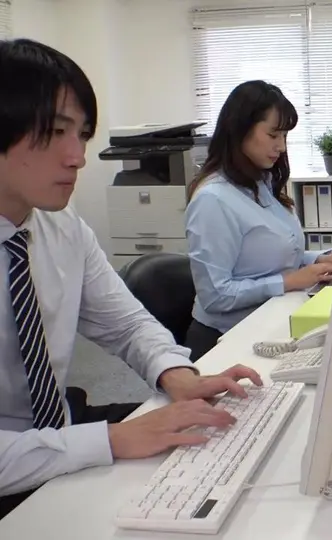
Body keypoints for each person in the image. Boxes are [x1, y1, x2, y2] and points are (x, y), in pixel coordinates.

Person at [0, 38, 263, 520]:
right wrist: (111, 439)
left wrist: (178, 375)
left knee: (226, 458)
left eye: (82, 134)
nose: (77, 156)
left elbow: (125, 323)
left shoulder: (62, 227)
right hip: (12, 464)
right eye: (56, 131)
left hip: (60, 427)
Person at [184, 81, 332, 362]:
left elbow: (271, 256)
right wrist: (287, 281)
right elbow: (216, 295)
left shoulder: (261, 182)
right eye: (273, 135)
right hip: (224, 340)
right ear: (240, 129)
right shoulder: (213, 200)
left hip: (267, 322)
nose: (281, 146)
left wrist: (318, 260)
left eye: (284, 136)